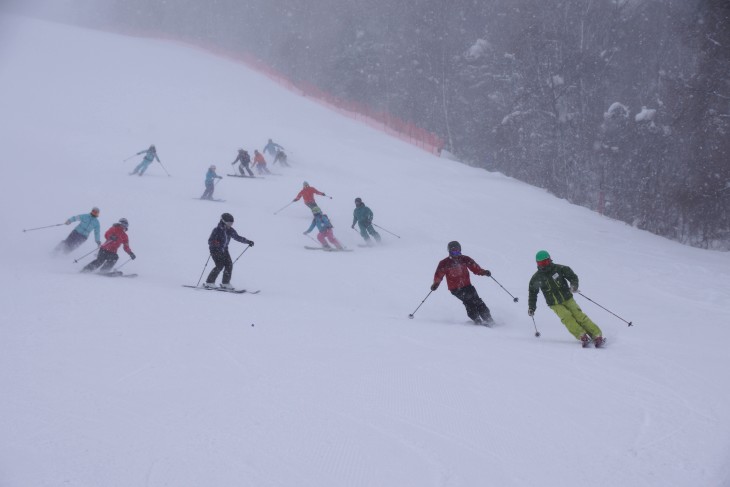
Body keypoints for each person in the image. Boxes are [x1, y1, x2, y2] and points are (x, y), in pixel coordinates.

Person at [528, 250, 605, 347]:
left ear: (549, 260)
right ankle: (581, 335)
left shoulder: (559, 269)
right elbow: (532, 293)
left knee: (579, 316)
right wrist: (531, 307)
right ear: (537, 263)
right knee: (567, 317)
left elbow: (572, 276)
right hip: (554, 303)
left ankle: (596, 335)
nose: (544, 265)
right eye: (541, 263)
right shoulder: (537, 277)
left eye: (545, 262)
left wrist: (574, 286)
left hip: (567, 298)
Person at [431, 241, 493, 325]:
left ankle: (488, 318)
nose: (456, 253)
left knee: (477, 301)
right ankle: (476, 319)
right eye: (453, 251)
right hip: (455, 288)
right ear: (449, 252)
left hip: (467, 285)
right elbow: (439, 274)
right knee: (469, 300)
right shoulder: (444, 263)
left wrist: (484, 272)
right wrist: (436, 284)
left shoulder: (465, 259)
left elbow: (475, 268)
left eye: (458, 251)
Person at [204, 213, 254, 289]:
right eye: (228, 223)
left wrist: (248, 241)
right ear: (223, 221)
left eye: (231, 223)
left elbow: (237, 237)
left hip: (224, 249)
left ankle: (225, 283)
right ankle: (209, 282)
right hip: (215, 249)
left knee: (229, 265)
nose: (230, 225)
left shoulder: (230, 230)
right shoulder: (217, 230)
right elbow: (210, 241)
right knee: (219, 265)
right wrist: (216, 243)